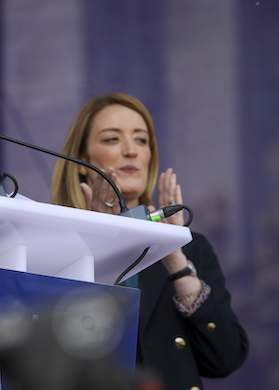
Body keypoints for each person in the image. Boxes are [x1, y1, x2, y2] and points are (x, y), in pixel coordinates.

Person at [51, 93, 248, 390]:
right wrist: (101, 239)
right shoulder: (49, 240)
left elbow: (226, 359)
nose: (131, 151)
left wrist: (173, 255)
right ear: (81, 161)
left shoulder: (192, 247)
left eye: (141, 140)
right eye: (112, 139)